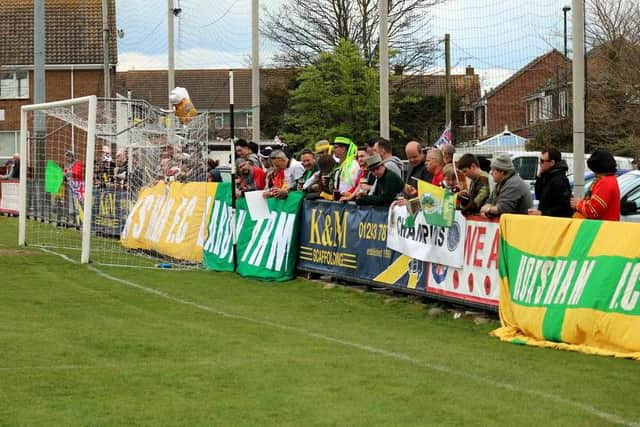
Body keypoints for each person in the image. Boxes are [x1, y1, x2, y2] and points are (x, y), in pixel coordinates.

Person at [570, 149, 620, 221]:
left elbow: (594, 210)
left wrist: (578, 204)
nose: (594, 173)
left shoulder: (605, 183)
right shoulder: (610, 179)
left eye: (594, 170)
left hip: (601, 228)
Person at [480, 153, 532, 217]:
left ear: (502, 171)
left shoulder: (513, 184)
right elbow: (488, 202)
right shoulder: (500, 184)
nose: (491, 173)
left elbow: (502, 209)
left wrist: (488, 210)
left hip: (520, 224)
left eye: (493, 170)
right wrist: (488, 210)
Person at [530, 147, 573, 217]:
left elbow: (563, 207)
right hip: (547, 218)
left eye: (542, 161)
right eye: (540, 160)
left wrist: (543, 213)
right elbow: (539, 196)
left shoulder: (559, 180)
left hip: (556, 222)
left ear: (552, 162)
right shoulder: (547, 176)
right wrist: (540, 176)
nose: (540, 163)